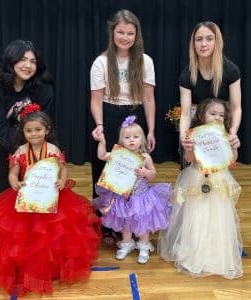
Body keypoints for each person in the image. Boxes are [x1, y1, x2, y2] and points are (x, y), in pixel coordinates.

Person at [0, 104, 101, 296]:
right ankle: (25, 265)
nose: (34, 134)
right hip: (27, 196)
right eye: (29, 131)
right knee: (23, 235)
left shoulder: (53, 149)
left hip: (52, 196)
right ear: (23, 131)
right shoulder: (20, 151)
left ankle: (52, 267)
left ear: (47, 130)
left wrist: (62, 180)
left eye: (38, 130)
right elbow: (13, 172)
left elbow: (62, 168)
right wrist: (14, 182)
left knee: (54, 233)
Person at [90, 9, 156, 244]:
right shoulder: (101, 62)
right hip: (108, 114)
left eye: (130, 33)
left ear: (136, 35)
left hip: (134, 114)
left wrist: (150, 129)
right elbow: (96, 99)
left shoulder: (145, 61)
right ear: (112, 33)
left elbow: (148, 98)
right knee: (106, 171)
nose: (125, 37)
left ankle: (131, 222)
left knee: (133, 173)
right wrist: (100, 126)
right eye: (121, 32)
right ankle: (105, 224)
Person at [157, 98, 242, 279]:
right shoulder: (194, 134)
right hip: (196, 178)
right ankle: (193, 253)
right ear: (202, 115)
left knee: (217, 217)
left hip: (219, 181)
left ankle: (215, 255)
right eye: (213, 113)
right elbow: (189, 159)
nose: (217, 117)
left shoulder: (226, 135)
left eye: (221, 115)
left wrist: (235, 147)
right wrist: (188, 148)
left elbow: (232, 160)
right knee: (196, 216)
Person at [92, 115, 172, 264]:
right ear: (122, 140)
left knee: (143, 221)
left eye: (135, 137)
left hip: (141, 197)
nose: (131, 140)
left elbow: (153, 173)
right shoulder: (117, 155)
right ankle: (127, 243)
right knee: (125, 222)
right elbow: (101, 155)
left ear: (141, 139)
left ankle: (143, 245)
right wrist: (102, 141)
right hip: (122, 196)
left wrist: (147, 173)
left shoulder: (145, 157)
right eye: (127, 137)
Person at [0, 39, 53, 195]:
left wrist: (36, 148)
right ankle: (3, 217)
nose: (28, 66)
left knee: (34, 178)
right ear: (10, 60)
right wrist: (21, 151)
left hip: (32, 136)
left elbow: (43, 119)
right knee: (6, 176)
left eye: (33, 61)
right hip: (1, 136)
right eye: (22, 60)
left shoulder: (42, 85)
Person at [179, 21, 241, 168]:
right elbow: (186, 114)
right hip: (198, 128)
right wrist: (184, 137)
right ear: (193, 44)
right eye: (199, 39)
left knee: (217, 176)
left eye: (209, 38)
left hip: (220, 127)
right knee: (191, 173)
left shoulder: (231, 70)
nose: (203, 44)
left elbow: (236, 108)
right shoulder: (186, 75)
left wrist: (232, 132)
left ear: (217, 42)